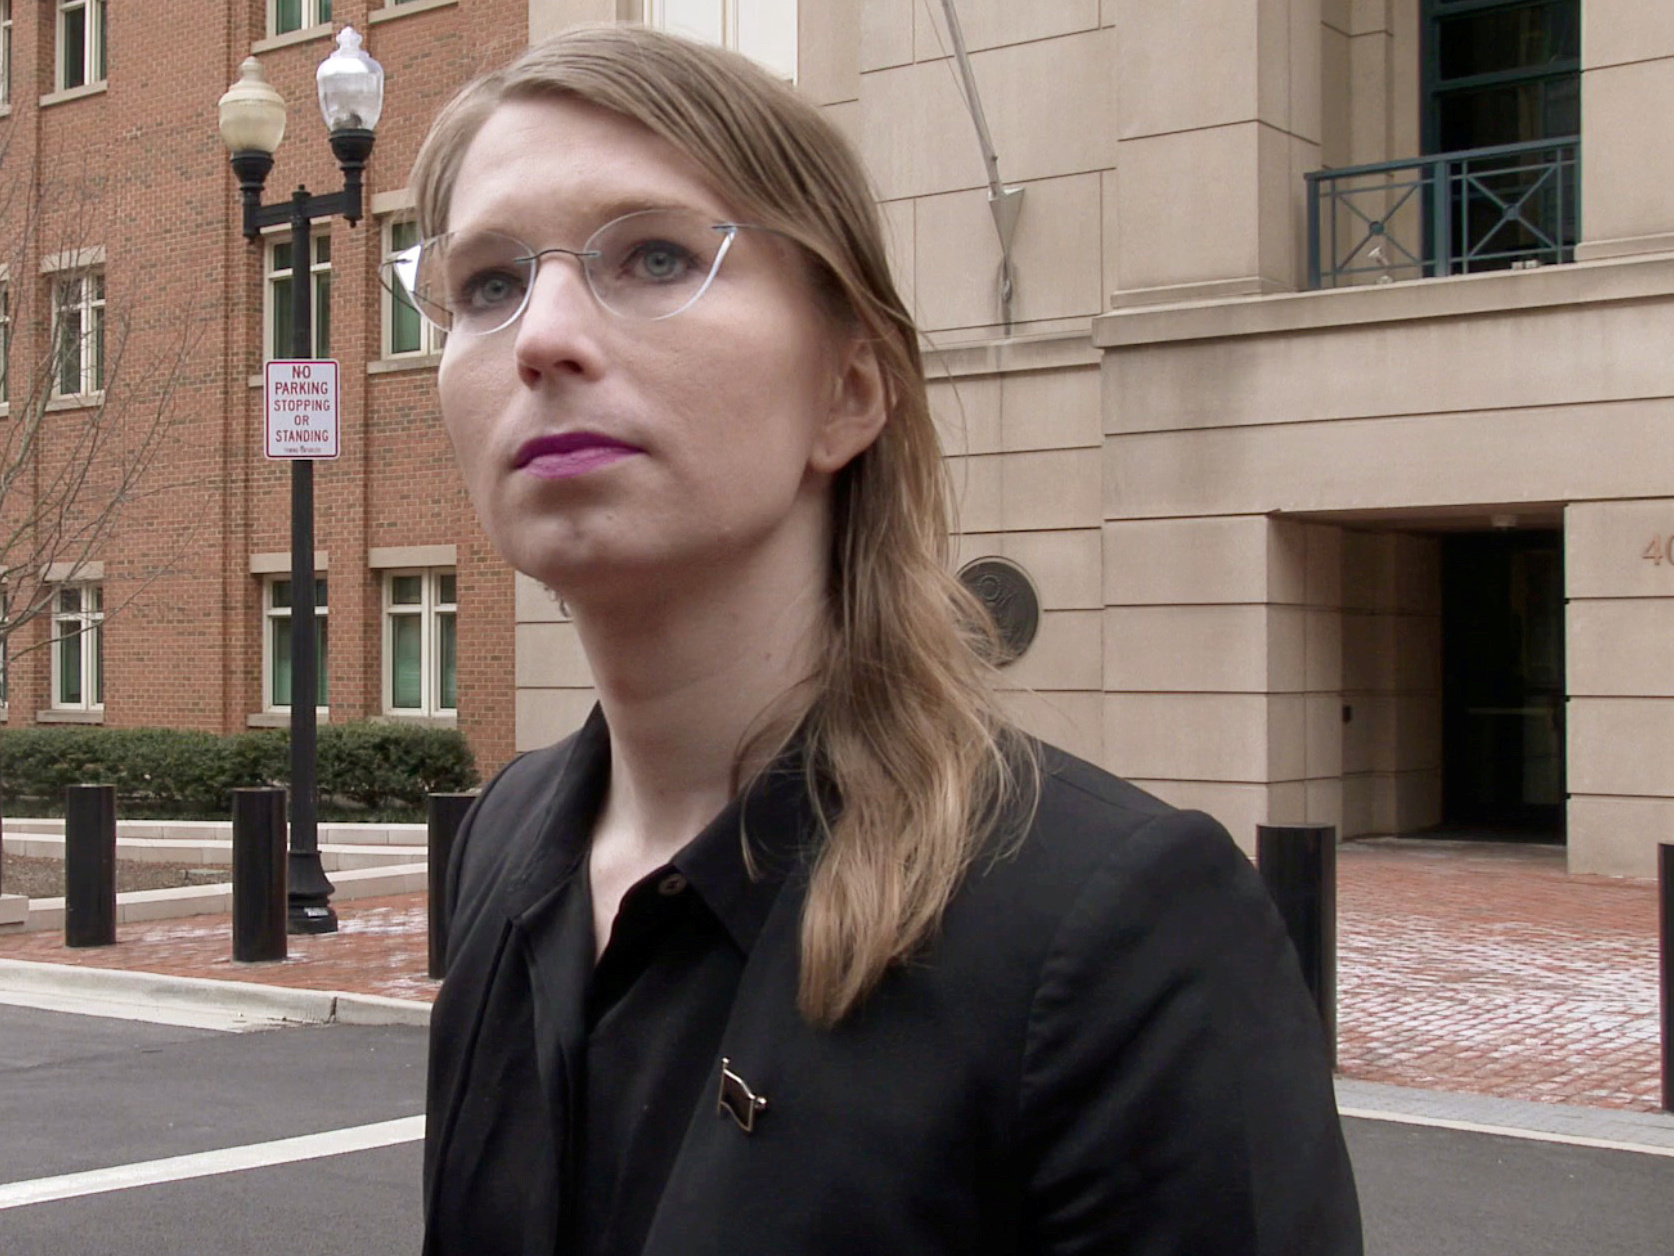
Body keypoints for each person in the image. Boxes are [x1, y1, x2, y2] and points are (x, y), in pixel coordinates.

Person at [400, 24, 1362, 1256]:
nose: (542, 335)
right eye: (489, 283)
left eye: (654, 255)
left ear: (850, 389)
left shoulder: (1122, 927)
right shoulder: (508, 838)